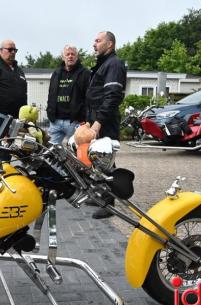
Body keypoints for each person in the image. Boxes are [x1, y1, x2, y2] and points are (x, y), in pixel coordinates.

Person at [86, 31, 127, 219]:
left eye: (98, 41)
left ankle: (109, 204)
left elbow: (112, 96)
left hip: (106, 121)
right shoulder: (103, 65)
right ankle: (101, 195)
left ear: (110, 44)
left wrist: (98, 123)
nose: (94, 44)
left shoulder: (114, 64)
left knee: (106, 161)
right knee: (97, 160)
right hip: (98, 118)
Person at [46, 45, 91, 144]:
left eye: (73, 54)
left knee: (76, 153)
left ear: (77, 57)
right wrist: (50, 112)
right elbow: (51, 94)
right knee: (49, 153)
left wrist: (85, 119)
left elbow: (89, 98)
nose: (70, 56)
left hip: (75, 122)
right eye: (67, 54)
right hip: (55, 122)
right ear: (63, 57)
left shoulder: (85, 73)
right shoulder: (56, 73)